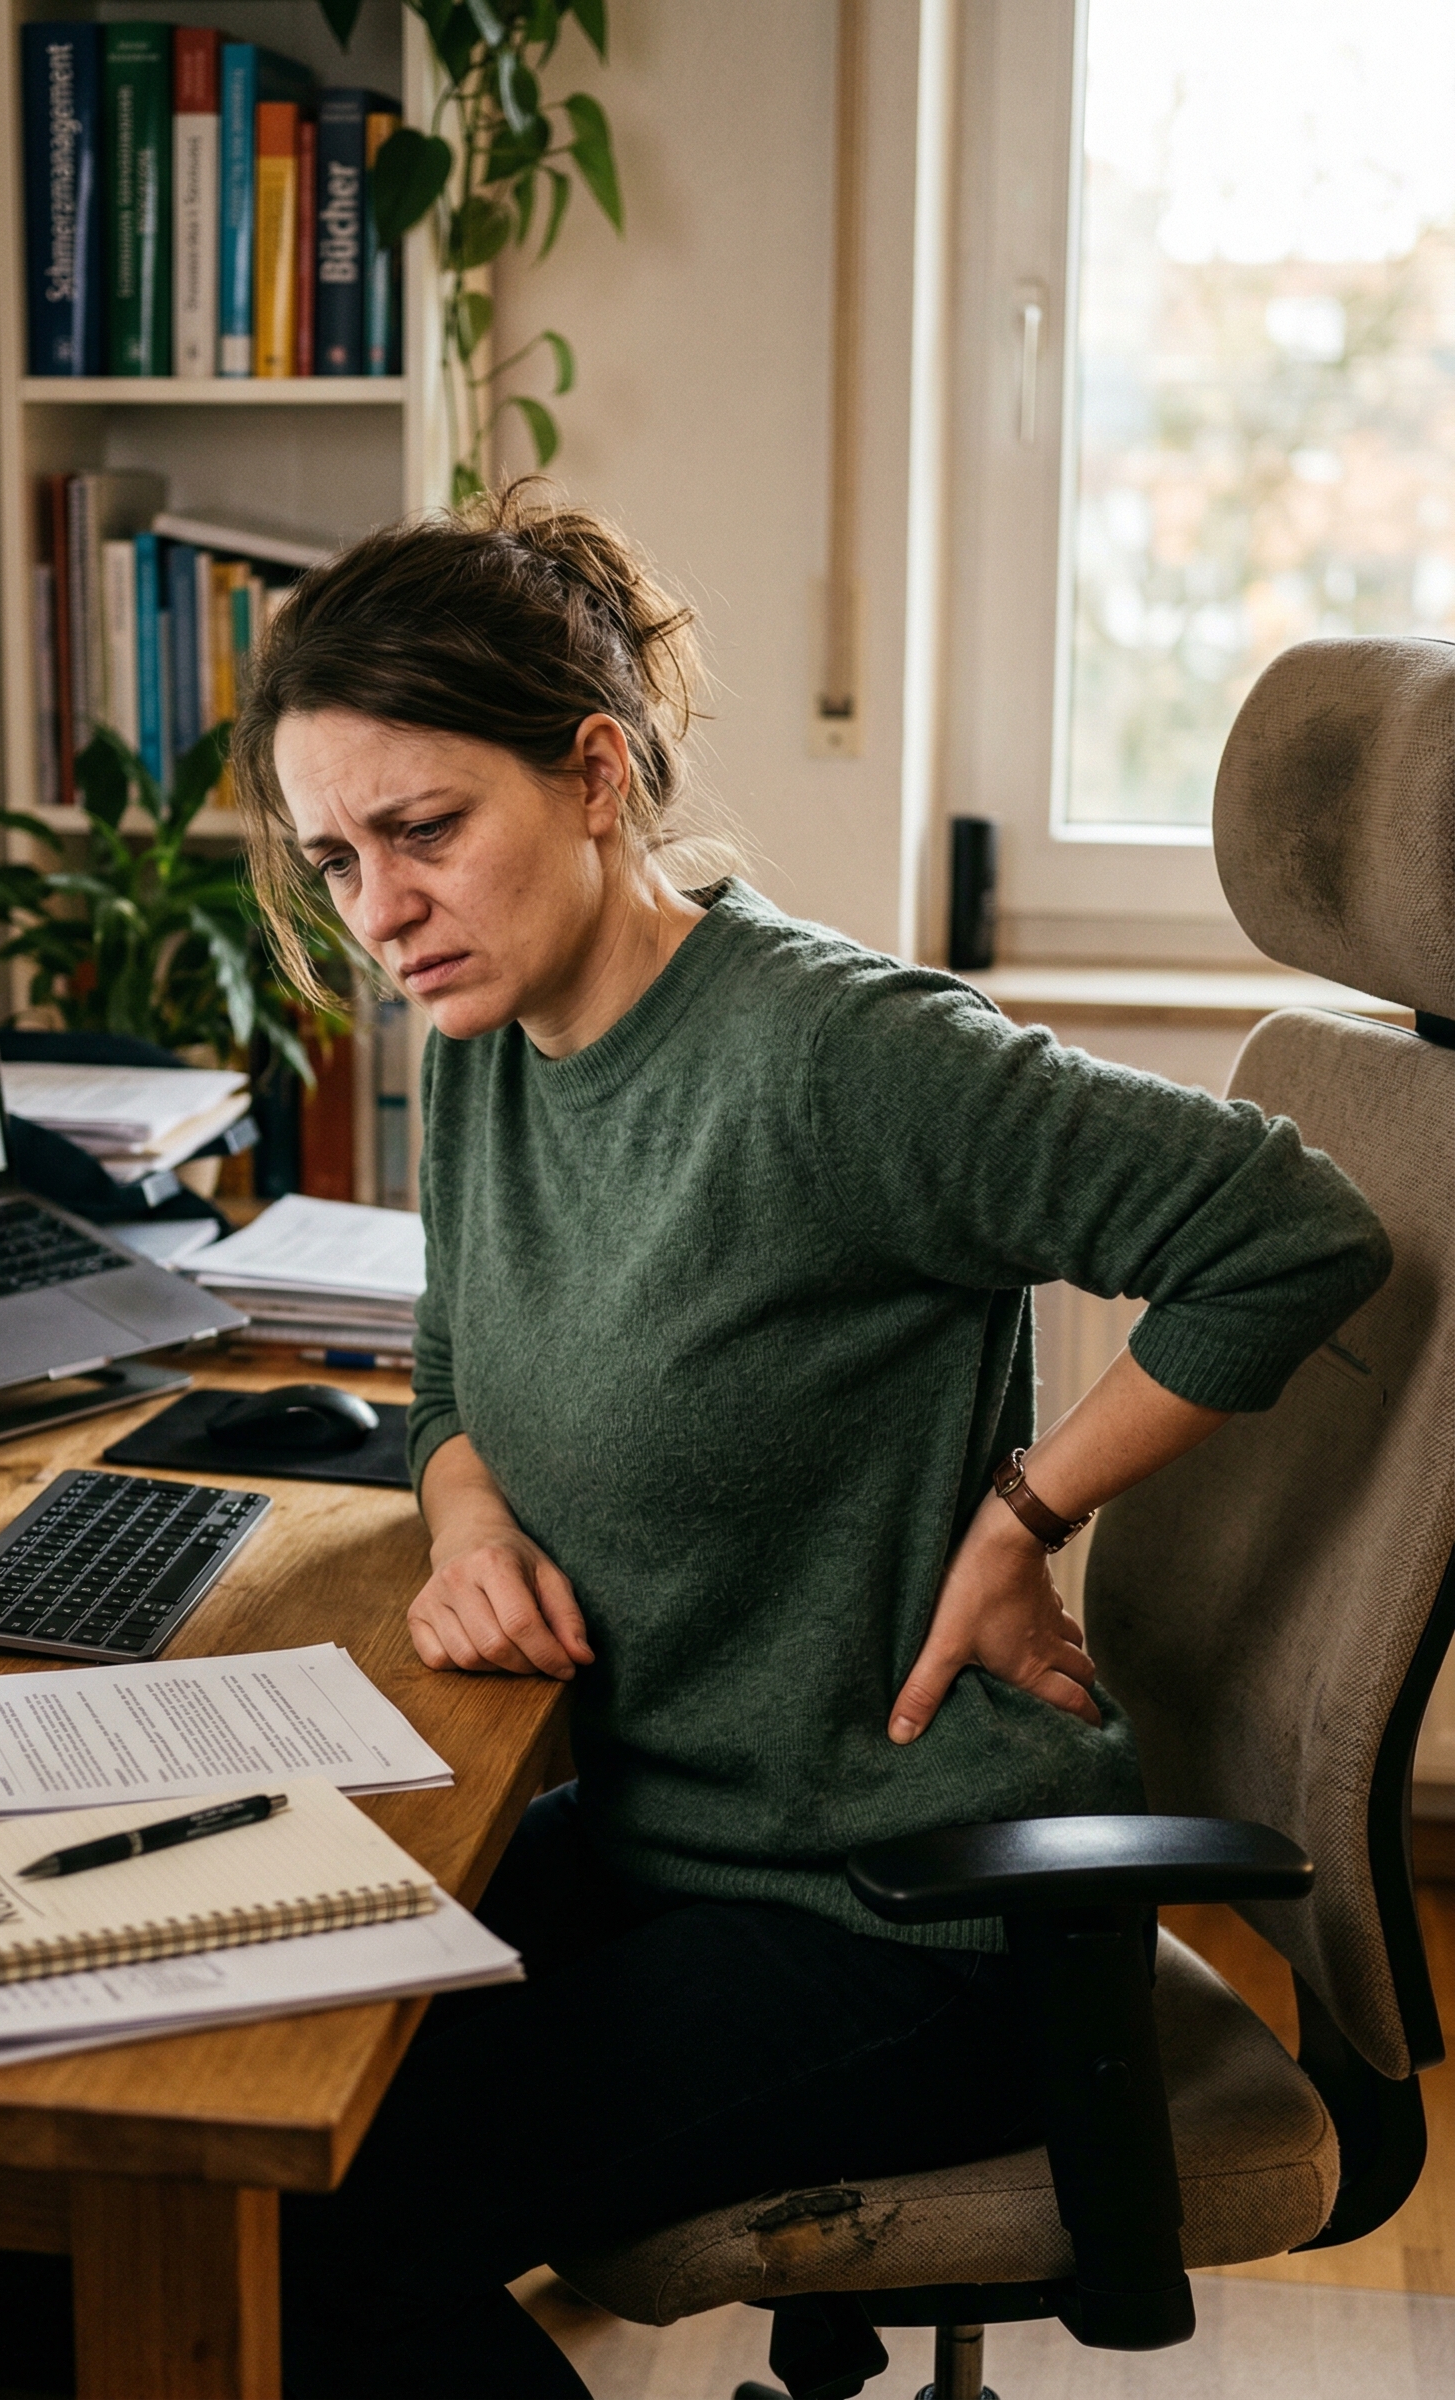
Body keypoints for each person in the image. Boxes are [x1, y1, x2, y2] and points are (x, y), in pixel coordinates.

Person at [231, 483, 1391, 2399]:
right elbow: (448, 1369)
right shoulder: (487, 1044)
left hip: (909, 1905)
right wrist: (465, 1516)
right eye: (336, 858)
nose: (380, 913)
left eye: (425, 831)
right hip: (670, 1837)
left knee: (324, 2231)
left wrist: (1025, 1508)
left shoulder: (838, 1058)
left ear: (594, 774)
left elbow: (1290, 1232)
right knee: (245, 2095)